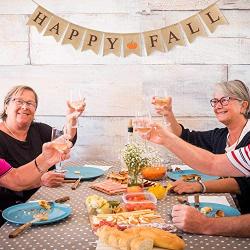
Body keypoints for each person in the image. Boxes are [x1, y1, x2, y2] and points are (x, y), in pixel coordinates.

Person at [152, 80, 250, 214]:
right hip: (226, 205)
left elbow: (242, 184)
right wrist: (168, 113)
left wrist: (198, 186)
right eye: (215, 101)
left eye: (225, 100)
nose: (218, 106)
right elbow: (184, 136)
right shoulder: (220, 135)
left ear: (244, 106)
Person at [0, 85, 85, 222]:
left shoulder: (38, 129)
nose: (24, 107)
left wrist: (72, 119)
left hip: (47, 202)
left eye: (30, 103)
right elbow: (10, 183)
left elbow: (66, 140)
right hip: (15, 212)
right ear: (6, 106)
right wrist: (40, 181)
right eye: (19, 101)